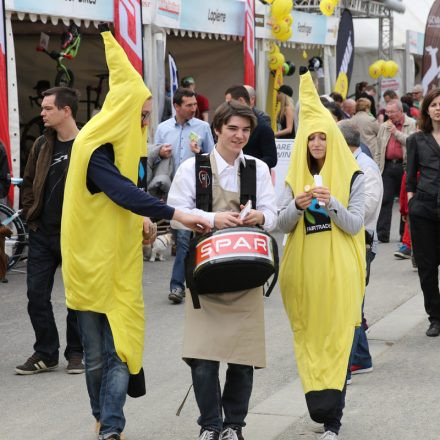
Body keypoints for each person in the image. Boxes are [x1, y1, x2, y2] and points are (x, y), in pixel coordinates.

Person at [61, 29, 211, 440]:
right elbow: (119, 191)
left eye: (148, 115)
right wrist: (175, 212)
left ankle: (111, 427)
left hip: (119, 264)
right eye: (142, 114)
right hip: (89, 266)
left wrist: (142, 220)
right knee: (95, 356)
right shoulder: (93, 146)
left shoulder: (118, 145)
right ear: (123, 109)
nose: (146, 122)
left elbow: (122, 198)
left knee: (119, 350)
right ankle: (103, 416)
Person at [167, 99, 277, 440]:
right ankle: (210, 425)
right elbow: (173, 210)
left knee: (243, 359)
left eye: (245, 130)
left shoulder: (257, 168)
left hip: (245, 274)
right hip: (205, 275)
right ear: (217, 129)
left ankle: (234, 426)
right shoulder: (192, 168)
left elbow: (272, 214)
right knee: (202, 358)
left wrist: (259, 216)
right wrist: (212, 219)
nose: (239, 136)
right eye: (232, 129)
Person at [278, 68, 365, 440]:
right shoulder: (293, 177)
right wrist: (297, 206)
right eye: (310, 138)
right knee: (311, 340)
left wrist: (332, 204)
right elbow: (281, 224)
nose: (316, 144)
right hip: (303, 275)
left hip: (340, 274)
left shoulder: (353, 176)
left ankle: (333, 420)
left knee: (338, 339)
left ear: (332, 139)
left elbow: (355, 225)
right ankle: (320, 405)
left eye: (322, 137)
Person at [15, 87, 84, 375]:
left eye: (48, 108)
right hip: (43, 232)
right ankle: (46, 352)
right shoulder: (42, 144)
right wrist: (32, 213)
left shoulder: (87, 144)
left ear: (66, 110)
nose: (42, 113)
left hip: (77, 234)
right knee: (35, 294)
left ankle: (77, 352)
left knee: (77, 298)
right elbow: (29, 182)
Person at [155, 87, 215, 304]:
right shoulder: (162, 129)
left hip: (197, 192)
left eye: (195, 105)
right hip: (172, 191)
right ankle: (183, 284)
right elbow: (154, 158)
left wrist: (200, 153)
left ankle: (185, 284)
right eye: (189, 105)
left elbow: (213, 159)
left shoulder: (203, 127)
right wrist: (159, 152)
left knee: (191, 239)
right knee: (180, 239)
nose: (194, 109)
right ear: (176, 106)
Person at [338, 121, 383, 383]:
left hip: (361, 241)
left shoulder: (365, 166)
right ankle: (361, 358)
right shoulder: (348, 163)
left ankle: (353, 360)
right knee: (352, 302)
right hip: (348, 239)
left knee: (353, 305)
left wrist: (337, 206)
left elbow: (367, 207)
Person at [406, 88, 440, 337]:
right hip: (425, 208)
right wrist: (411, 201)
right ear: (427, 109)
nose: (438, 108)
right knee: (427, 267)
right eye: (434, 104)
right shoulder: (416, 139)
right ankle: (435, 317)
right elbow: (410, 177)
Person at [374, 99, 416, 243]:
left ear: (400, 111)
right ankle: (382, 234)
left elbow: (412, 142)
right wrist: (376, 166)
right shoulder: (384, 126)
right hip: (387, 167)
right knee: (385, 200)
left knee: (404, 202)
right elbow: (379, 148)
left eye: (391, 112)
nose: (388, 114)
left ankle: (403, 235)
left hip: (404, 166)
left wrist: (396, 133)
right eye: (387, 112)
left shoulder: (411, 123)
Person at [225, 85, 277, 169]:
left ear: (241, 100)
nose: (239, 135)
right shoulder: (226, 121)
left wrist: (247, 166)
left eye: (229, 103)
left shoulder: (263, 126)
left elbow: (271, 159)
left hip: (254, 178)